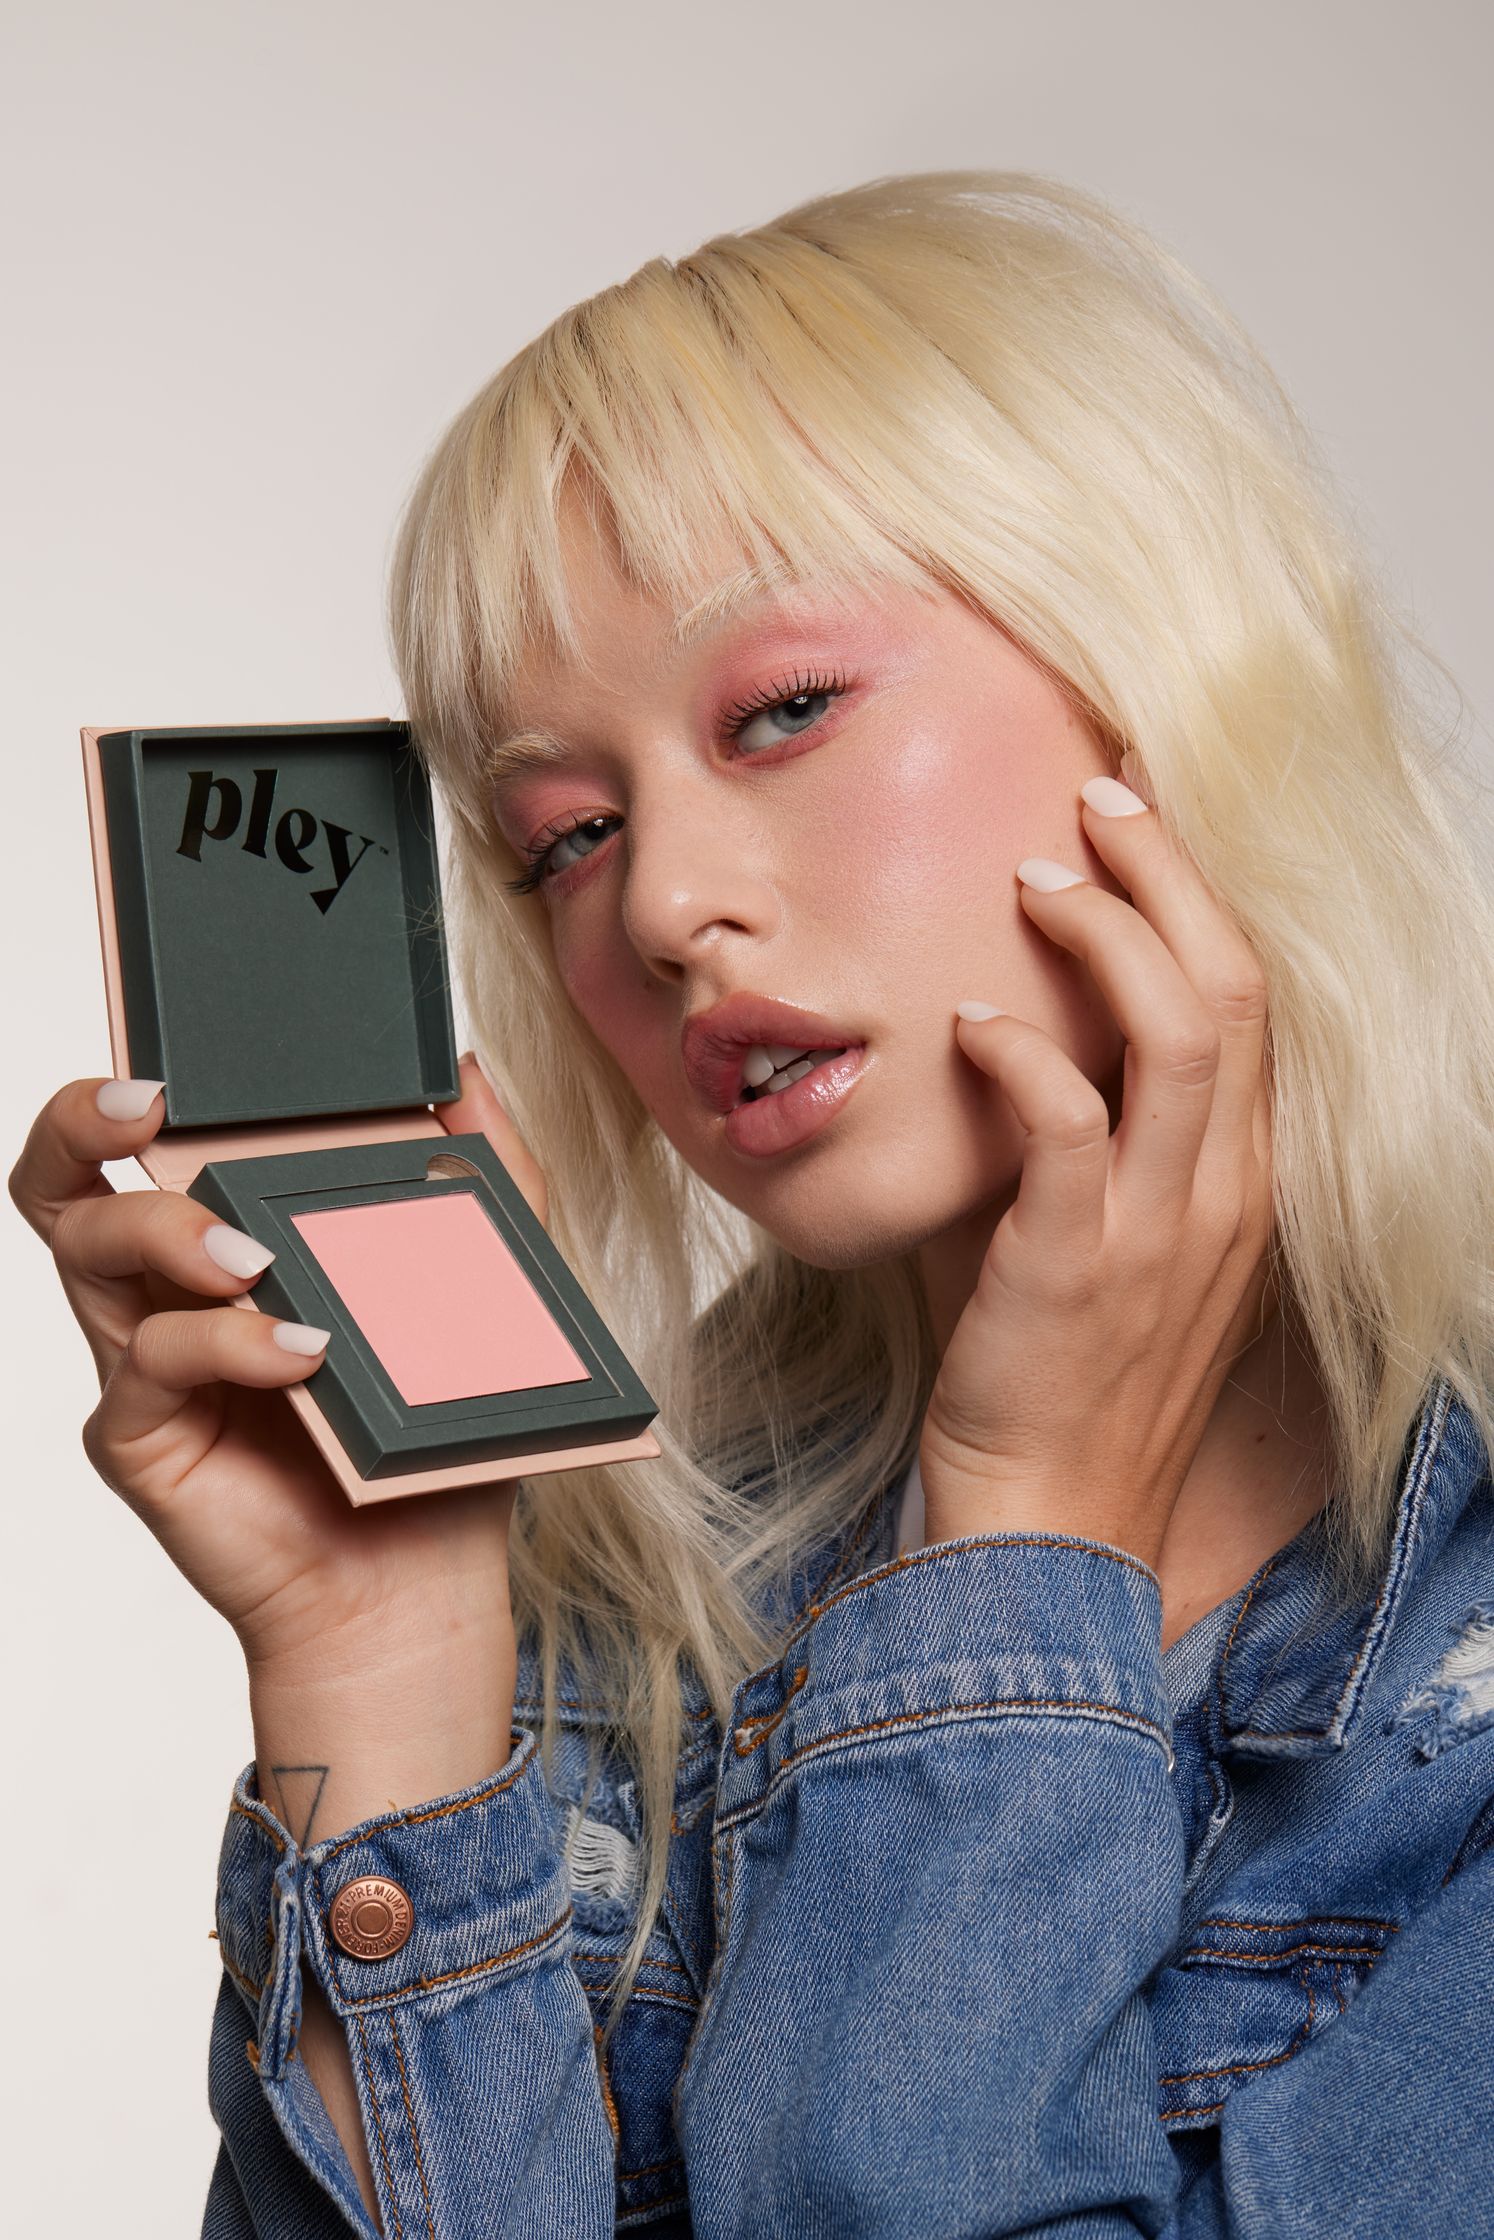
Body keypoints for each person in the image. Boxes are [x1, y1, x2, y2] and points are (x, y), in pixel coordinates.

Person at [12, 170, 1494, 2238]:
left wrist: (1021, 1543)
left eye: (785, 712)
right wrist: (389, 1655)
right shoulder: (631, 1612)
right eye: (567, 833)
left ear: (1163, 676)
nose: (671, 905)